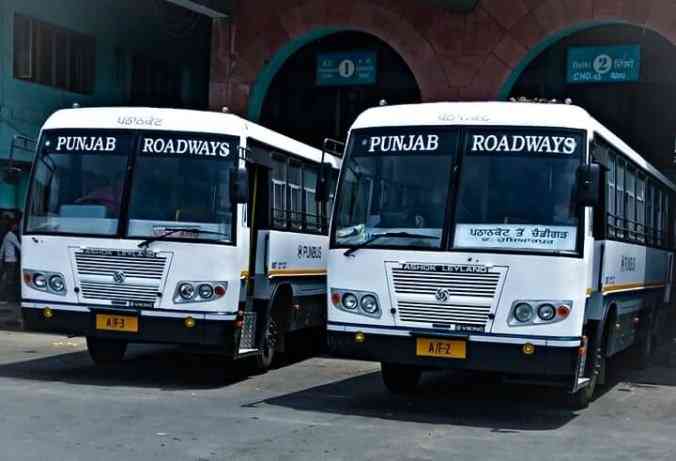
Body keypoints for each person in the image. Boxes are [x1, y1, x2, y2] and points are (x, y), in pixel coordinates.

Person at [0, 216, 21, 304]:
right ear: (12, 226)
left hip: (7, 260)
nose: (17, 227)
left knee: (6, 279)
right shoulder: (12, 236)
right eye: (16, 225)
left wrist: (1, 258)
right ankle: (4, 298)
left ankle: (4, 297)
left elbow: (2, 248)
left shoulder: (7, 235)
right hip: (11, 261)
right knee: (8, 280)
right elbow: (19, 247)